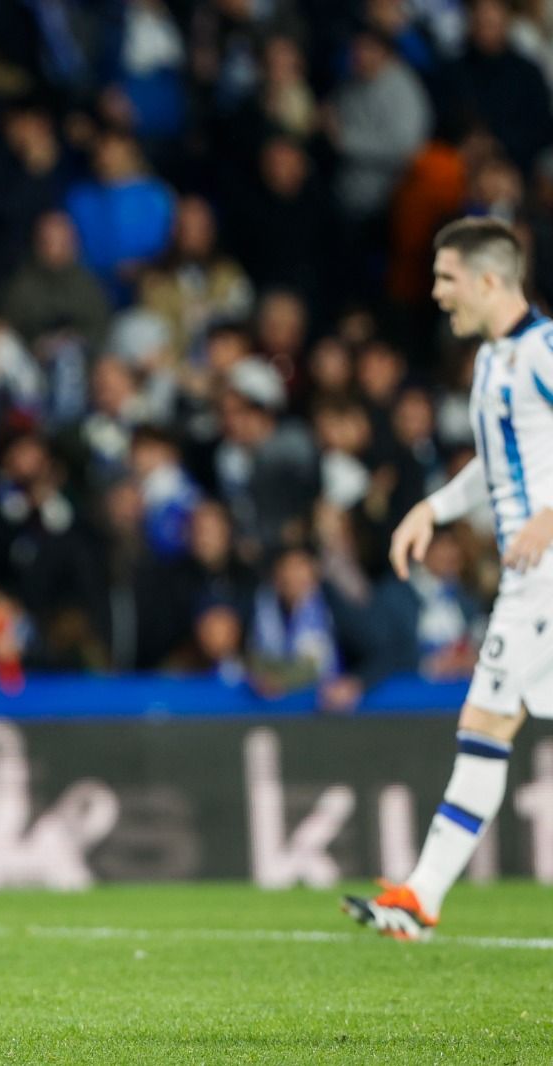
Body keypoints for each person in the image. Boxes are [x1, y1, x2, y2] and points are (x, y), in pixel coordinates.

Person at [344, 217, 553, 940]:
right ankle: (421, 897)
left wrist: (550, 515)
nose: (435, 293)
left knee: (485, 725)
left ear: (490, 280)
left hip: (547, 574)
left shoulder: (543, 351)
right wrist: (431, 508)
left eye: (447, 278)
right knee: (487, 727)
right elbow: (496, 467)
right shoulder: (494, 362)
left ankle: (423, 897)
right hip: (533, 579)